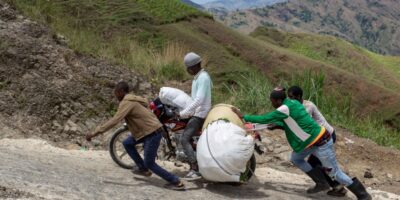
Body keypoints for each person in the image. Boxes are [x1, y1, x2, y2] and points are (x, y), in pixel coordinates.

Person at [232, 87, 371, 200]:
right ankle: (321, 182)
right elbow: (290, 121)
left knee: (335, 174)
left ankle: (363, 195)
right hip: (310, 143)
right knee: (296, 158)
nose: (271, 103)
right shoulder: (293, 103)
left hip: (321, 143)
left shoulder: (284, 108)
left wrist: (244, 117)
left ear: (278, 100)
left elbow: (265, 118)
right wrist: (276, 125)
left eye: (272, 100)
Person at [86, 81, 185, 190]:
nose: (115, 95)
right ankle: (143, 169)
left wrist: (94, 133)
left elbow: (114, 121)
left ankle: (176, 181)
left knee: (150, 163)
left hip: (152, 133)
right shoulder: (134, 99)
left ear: (122, 91)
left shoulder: (126, 102)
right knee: (127, 143)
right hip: (148, 131)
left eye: (116, 92)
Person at [288, 85, 346, 197]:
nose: (290, 100)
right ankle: (333, 185)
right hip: (318, 138)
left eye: (291, 97)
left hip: (326, 136)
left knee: (317, 164)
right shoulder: (296, 106)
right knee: (317, 163)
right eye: (288, 97)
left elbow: (302, 125)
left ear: (299, 96)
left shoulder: (307, 107)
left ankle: (336, 186)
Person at [179, 52, 212, 180]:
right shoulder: (198, 77)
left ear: (192, 67)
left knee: (184, 139)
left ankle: (195, 169)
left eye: (187, 68)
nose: (187, 70)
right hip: (197, 112)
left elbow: (199, 100)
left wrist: (184, 113)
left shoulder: (203, 77)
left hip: (200, 115)